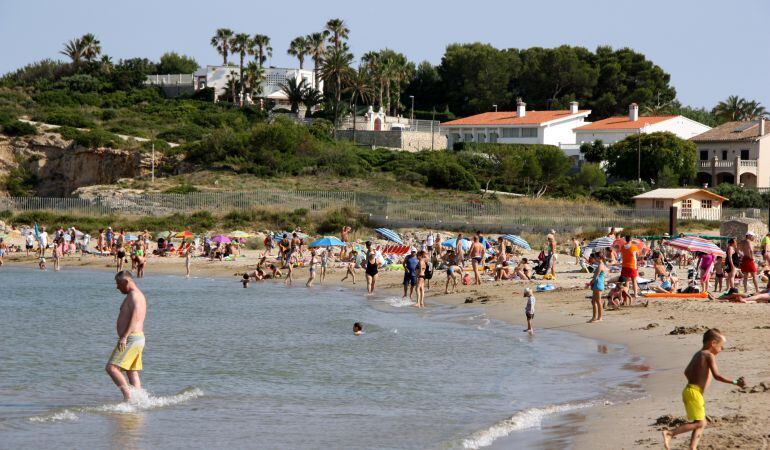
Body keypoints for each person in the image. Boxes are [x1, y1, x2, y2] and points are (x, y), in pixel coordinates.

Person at [661, 329, 747, 450]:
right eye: (721, 346)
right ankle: (670, 433)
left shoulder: (698, 354)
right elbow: (717, 376)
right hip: (694, 393)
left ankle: (693, 447)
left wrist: (697, 381)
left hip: (690, 391)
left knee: (701, 422)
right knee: (700, 423)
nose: (721, 349)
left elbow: (686, 372)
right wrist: (735, 382)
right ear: (713, 343)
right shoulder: (709, 355)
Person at [105, 271, 147, 402]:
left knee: (111, 368)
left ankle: (128, 398)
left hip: (132, 338)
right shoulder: (135, 295)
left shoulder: (135, 296)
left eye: (118, 283)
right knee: (131, 370)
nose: (117, 287)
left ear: (126, 282)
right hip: (136, 337)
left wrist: (124, 337)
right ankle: (139, 400)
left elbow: (135, 318)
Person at [589, 253, 607, 323]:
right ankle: (594, 317)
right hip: (596, 284)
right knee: (593, 301)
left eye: (596, 257)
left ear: (599, 258)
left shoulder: (600, 265)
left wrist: (590, 283)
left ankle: (600, 317)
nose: (595, 259)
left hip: (598, 284)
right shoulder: (599, 265)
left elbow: (596, 277)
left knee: (598, 301)